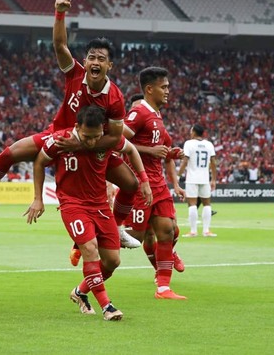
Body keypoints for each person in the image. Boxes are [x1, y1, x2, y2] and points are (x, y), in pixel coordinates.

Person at [0, 0, 149, 248]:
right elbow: (59, 44)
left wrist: (81, 145)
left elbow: (117, 137)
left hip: (94, 145)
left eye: (101, 59)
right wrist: (58, 13)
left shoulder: (115, 97)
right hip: (59, 133)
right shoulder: (75, 73)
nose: (95, 62)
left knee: (130, 185)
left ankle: (117, 226)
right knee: (12, 152)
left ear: (110, 65)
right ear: (85, 61)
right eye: (91, 57)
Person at [25, 105, 150, 321]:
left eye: (96, 137)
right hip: (73, 205)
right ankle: (107, 306)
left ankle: (80, 292)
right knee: (90, 250)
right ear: (76, 127)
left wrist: (144, 180)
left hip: (100, 207)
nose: (92, 142)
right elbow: (39, 161)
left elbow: (131, 150)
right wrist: (38, 198)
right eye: (86, 137)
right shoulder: (60, 141)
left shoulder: (107, 141)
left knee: (112, 261)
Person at [122, 66, 187, 300]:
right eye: (164, 87)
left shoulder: (157, 115)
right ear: (150, 89)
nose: (168, 91)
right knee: (135, 238)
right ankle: (86, 244)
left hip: (158, 184)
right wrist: (152, 149)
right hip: (140, 184)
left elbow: (162, 150)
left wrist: (171, 153)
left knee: (169, 230)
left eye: (168, 86)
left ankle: (163, 288)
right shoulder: (139, 113)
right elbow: (118, 141)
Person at [178, 124, 218, 237]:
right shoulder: (209, 144)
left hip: (192, 178)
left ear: (194, 132)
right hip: (205, 178)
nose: (190, 133)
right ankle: (206, 231)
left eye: (191, 131)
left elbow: (185, 161)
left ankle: (193, 231)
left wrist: (177, 176)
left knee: (192, 204)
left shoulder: (189, 144)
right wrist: (214, 179)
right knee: (207, 204)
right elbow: (213, 163)